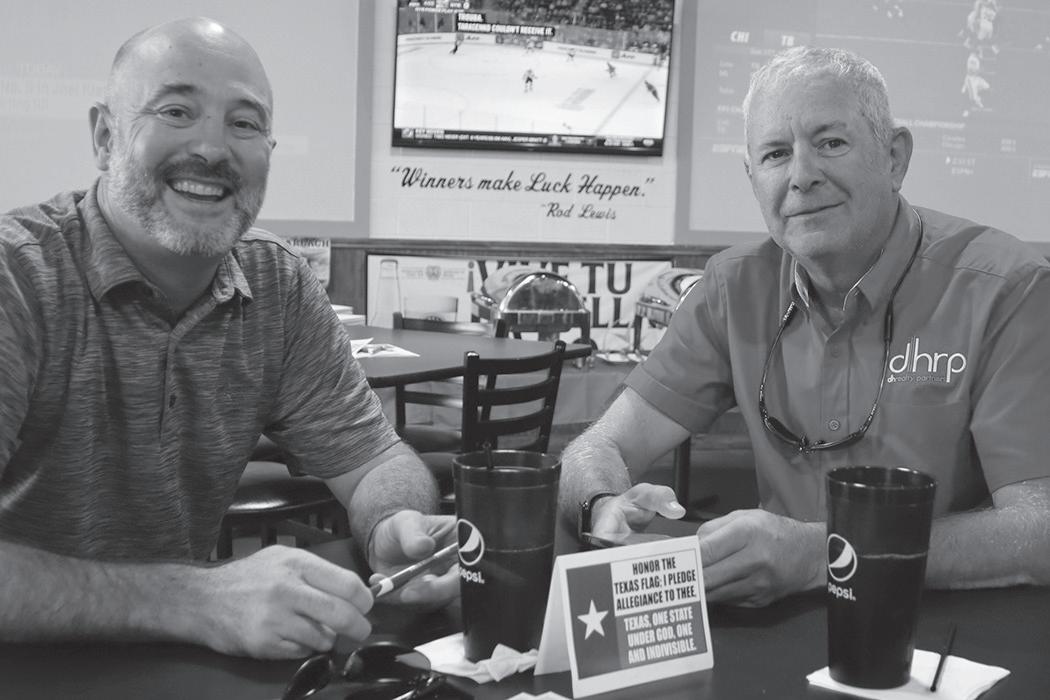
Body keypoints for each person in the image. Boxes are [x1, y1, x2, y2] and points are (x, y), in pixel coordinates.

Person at [0, 17, 457, 659]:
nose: (213, 150)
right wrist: (194, 599)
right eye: (176, 111)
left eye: (244, 123)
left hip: (176, 667)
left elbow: (375, 463)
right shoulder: (18, 276)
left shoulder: (276, 283)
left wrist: (392, 524)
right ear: (105, 137)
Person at [559, 46, 1050, 607]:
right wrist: (604, 505)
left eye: (831, 143)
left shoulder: (1008, 289)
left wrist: (822, 555)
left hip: (945, 629)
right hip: (777, 626)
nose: (801, 176)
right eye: (775, 154)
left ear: (894, 158)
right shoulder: (732, 288)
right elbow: (597, 447)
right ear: (752, 178)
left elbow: (1039, 531)